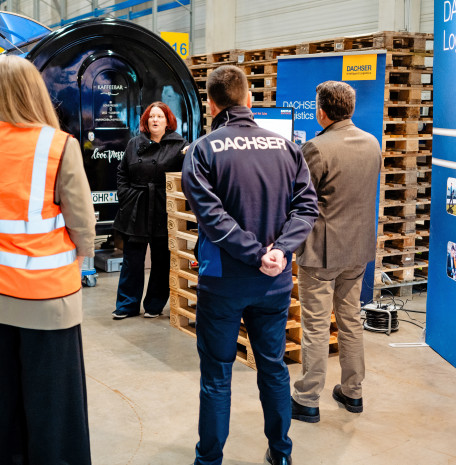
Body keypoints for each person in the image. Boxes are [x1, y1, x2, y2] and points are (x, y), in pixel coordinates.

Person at [0, 55, 96, 465]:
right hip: (47, 297)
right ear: (35, 91)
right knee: (52, 405)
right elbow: (82, 222)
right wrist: (83, 255)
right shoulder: (58, 145)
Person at [181, 65, 318, 465]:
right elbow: (307, 207)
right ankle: (282, 454)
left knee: (217, 375)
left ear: (211, 104)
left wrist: (255, 253)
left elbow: (212, 217)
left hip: (223, 282)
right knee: (273, 368)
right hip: (274, 283)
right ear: (249, 100)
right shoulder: (287, 148)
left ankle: (209, 460)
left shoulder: (203, 151)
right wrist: (279, 251)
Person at [289, 81, 381, 423]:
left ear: (321, 111)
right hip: (357, 249)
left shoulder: (316, 148)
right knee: (350, 320)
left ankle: (307, 398)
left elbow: (300, 198)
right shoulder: (372, 143)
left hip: (322, 252)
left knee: (315, 325)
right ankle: (353, 391)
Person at [111, 101, 188, 319]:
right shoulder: (134, 143)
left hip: (163, 207)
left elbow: (188, 172)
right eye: (151, 116)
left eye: (159, 116)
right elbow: (122, 172)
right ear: (145, 121)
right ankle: (127, 305)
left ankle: (154, 305)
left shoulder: (180, 145)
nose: (155, 120)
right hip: (136, 207)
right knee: (132, 259)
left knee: (161, 260)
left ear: (168, 121)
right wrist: (126, 196)